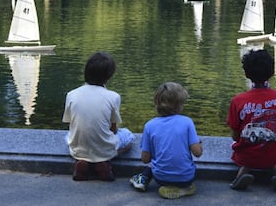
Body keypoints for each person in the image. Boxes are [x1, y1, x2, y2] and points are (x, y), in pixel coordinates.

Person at [227, 49, 276, 192]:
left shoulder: (237, 101)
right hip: (274, 154)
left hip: (246, 155)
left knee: (246, 155)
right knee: (274, 157)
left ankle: (241, 175)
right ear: (271, 72)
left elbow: (236, 136)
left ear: (246, 74)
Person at [62, 52, 134, 181]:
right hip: (104, 149)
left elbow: (71, 123)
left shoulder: (71, 94)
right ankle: (104, 161)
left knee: (67, 136)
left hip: (78, 149)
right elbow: (113, 129)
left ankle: (83, 161)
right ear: (108, 76)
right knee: (128, 136)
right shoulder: (113, 97)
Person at [129, 82, 203, 199]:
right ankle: (185, 189)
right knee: (188, 168)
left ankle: (143, 179)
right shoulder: (187, 122)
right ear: (179, 105)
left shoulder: (149, 125)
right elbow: (197, 153)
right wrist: (199, 144)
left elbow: (145, 159)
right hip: (186, 177)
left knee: (150, 167)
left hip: (161, 178)